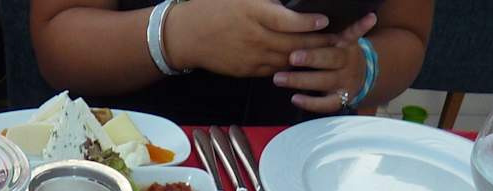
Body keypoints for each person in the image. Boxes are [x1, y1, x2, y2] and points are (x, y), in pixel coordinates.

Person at [30, 0, 432, 125]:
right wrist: (178, 35)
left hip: (306, 175)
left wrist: (362, 70)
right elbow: (56, 40)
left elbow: (406, 35)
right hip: (131, 160)